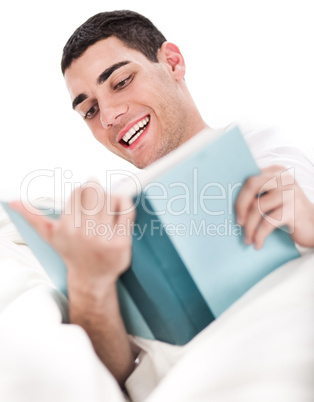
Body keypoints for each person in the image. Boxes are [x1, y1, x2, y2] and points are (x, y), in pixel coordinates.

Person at [9, 9, 314, 401]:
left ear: (172, 62)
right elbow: (114, 373)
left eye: (121, 81)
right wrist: (91, 285)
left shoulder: (266, 154)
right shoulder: (110, 214)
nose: (109, 116)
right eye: (89, 110)